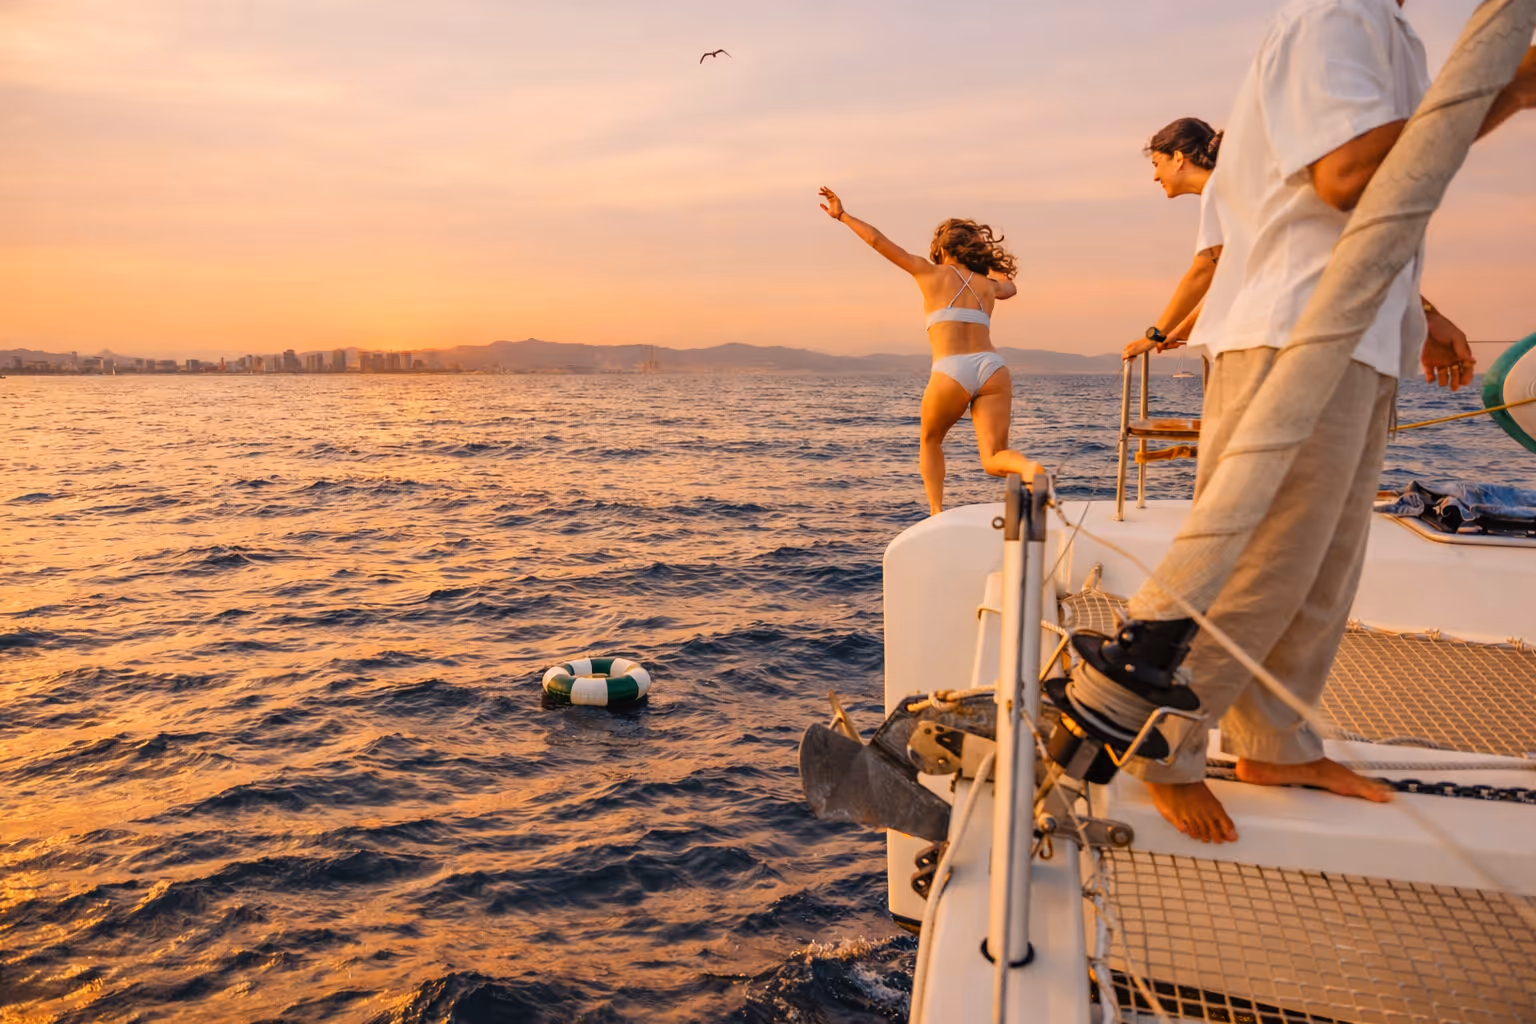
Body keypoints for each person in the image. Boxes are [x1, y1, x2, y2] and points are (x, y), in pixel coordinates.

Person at [1127, 0, 1536, 844]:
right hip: (1294, 335)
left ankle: (1274, 743)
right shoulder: (1333, 12)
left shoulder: (1388, 30)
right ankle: (1160, 748)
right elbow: (1348, 176)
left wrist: (1421, 318)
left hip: (1358, 339)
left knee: (1321, 569)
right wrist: (1513, 82)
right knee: (1262, 561)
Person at [818, 188, 1043, 515]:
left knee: (931, 441)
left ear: (939, 248)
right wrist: (988, 262)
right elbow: (1010, 286)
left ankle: (936, 512)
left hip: (952, 370)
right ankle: (1029, 470)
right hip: (992, 367)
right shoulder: (988, 285)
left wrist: (843, 216)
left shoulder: (928, 272)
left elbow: (878, 242)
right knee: (994, 457)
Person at [1123, 118, 1225, 363]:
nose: (1155, 177)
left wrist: (1155, 336)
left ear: (1178, 158)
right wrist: (1181, 329)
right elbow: (1229, 277)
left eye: (1157, 164)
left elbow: (1204, 271)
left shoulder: (1218, 191)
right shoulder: (1230, 186)